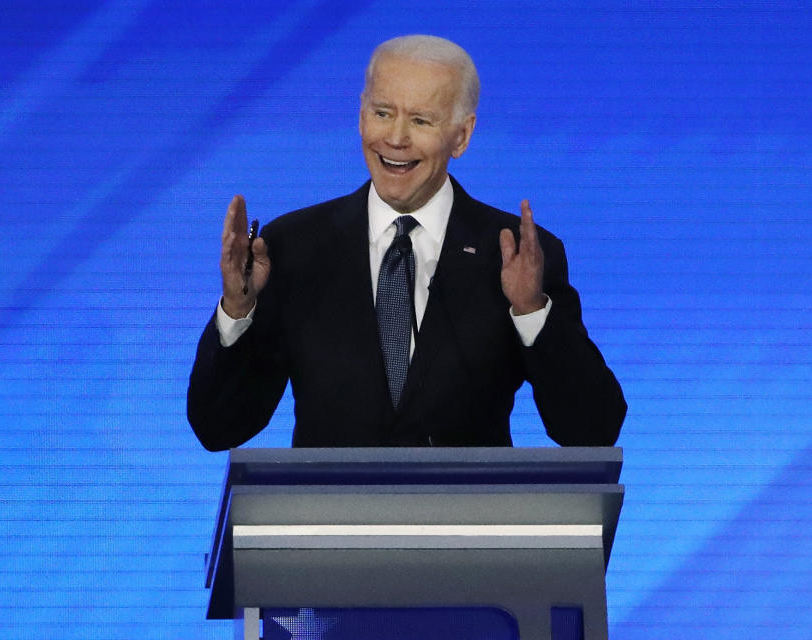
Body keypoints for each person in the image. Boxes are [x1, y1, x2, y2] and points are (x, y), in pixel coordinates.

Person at [187, 35, 625, 450]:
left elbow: (591, 428)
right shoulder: (293, 248)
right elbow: (219, 426)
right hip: (329, 522)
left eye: (420, 120)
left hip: (468, 524)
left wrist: (531, 312)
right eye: (382, 113)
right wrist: (237, 310)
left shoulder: (514, 254)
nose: (395, 138)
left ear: (462, 135)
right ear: (361, 115)